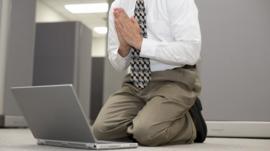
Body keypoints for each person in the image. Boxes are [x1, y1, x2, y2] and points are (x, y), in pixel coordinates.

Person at [93, 0, 207, 146]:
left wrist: (140, 43)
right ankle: (148, 119)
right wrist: (124, 47)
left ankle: (192, 124)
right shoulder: (118, 6)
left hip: (175, 78)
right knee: (101, 131)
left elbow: (191, 52)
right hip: (135, 82)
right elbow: (118, 64)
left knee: (146, 133)